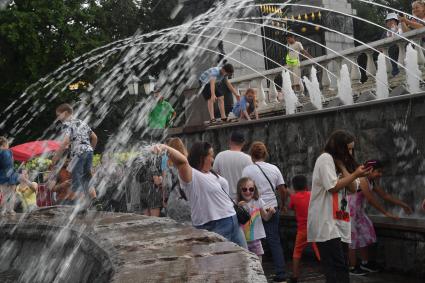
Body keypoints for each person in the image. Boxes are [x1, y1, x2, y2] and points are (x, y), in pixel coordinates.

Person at [152, 141, 245, 247]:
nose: (213, 159)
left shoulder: (211, 173)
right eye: (211, 156)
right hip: (214, 225)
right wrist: (165, 148)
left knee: (245, 260)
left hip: (233, 220)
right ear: (202, 157)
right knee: (218, 262)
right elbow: (182, 162)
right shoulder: (191, 175)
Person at [307, 130, 371, 283]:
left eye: (352, 149)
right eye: (348, 148)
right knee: (335, 265)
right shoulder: (325, 158)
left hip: (339, 220)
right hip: (326, 222)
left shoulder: (337, 162)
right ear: (339, 147)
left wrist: (343, 167)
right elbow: (332, 187)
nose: (350, 152)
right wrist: (355, 174)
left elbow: (353, 188)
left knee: (342, 264)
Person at [348, 160, 413, 275]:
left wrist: (403, 205)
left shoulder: (371, 181)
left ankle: (365, 263)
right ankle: (352, 267)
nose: (380, 174)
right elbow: (370, 199)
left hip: (358, 212)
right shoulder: (362, 179)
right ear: (370, 170)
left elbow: (385, 195)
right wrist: (386, 213)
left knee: (365, 234)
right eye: (379, 171)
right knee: (352, 239)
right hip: (349, 213)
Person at [242, 142, 287, 283]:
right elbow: (283, 190)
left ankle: (255, 274)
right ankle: (281, 275)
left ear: (251, 155)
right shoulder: (274, 168)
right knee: (274, 241)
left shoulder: (247, 170)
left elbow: (245, 190)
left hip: (254, 209)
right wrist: (283, 204)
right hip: (272, 208)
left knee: (254, 240)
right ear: (265, 153)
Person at [51, 103, 98, 212]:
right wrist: (90, 150)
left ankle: (80, 206)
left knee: (77, 179)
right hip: (88, 152)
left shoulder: (67, 124)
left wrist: (55, 157)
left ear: (66, 113)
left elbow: (65, 142)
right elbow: (95, 138)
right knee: (86, 177)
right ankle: (95, 200)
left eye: (59, 115)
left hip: (78, 154)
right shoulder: (82, 122)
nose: (58, 118)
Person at [288, 175, 320, 283]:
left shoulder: (294, 197)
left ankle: (295, 276)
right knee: (319, 251)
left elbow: (291, 207)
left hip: (302, 230)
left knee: (297, 252)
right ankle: (329, 271)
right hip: (314, 228)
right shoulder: (311, 195)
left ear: (294, 186)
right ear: (306, 184)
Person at [237, 177, 275, 263]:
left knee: (258, 264)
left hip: (256, 239)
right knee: (245, 264)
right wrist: (238, 208)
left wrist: (271, 212)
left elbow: (265, 217)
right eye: (244, 189)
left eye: (251, 189)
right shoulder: (236, 203)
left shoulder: (258, 201)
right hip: (242, 240)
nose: (248, 192)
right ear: (240, 190)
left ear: (254, 190)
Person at [213, 131, 252, 201]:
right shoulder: (248, 159)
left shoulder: (220, 156)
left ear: (230, 141)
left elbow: (214, 177)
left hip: (224, 199)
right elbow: (251, 181)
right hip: (242, 200)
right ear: (243, 143)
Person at [0, 136, 35, 215]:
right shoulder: (9, 152)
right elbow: (11, 163)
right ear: (5, 143)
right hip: (10, 173)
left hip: (2, 175)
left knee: (5, 194)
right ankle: (10, 210)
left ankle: (4, 211)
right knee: (11, 193)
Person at [163, 137, 191, 223]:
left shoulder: (167, 163)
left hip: (174, 201)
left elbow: (167, 184)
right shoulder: (189, 162)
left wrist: (164, 199)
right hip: (189, 200)